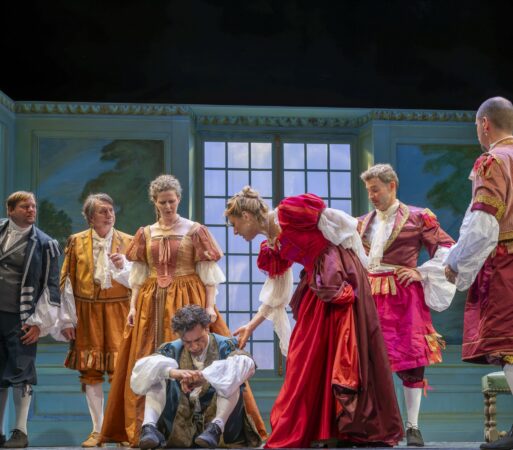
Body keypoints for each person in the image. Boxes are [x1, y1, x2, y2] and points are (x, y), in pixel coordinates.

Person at [225, 187, 404, 448]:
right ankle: (325, 429)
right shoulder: (272, 246)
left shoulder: (288, 213)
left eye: (234, 224)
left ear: (247, 216)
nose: (235, 232)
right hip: (317, 285)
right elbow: (276, 294)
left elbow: (341, 223)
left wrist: (356, 259)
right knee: (308, 356)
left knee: (341, 352)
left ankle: (345, 428)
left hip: (338, 277)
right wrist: (251, 326)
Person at [101, 175, 266, 446]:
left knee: (199, 352)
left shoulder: (194, 231)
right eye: (162, 202)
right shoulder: (146, 233)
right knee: (149, 359)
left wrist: (209, 306)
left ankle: (204, 425)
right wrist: (132, 307)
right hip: (150, 304)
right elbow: (138, 277)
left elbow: (209, 274)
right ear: (155, 202)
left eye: (172, 201)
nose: (168, 207)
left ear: (178, 199)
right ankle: (148, 428)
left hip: (188, 296)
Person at [358, 163, 455, 446]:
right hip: (369, 298)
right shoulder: (362, 222)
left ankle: (413, 426)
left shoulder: (418, 217)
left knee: (411, 359)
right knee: (368, 361)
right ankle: (375, 427)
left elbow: (447, 248)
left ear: (392, 186)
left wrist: (421, 272)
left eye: (376, 190)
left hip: (403, 297)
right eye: (369, 191)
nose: (372, 196)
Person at [444, 97, 513, 450]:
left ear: (485, 124)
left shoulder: (493, 161)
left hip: (507, 265)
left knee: (509, 344)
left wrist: (457, 263)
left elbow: (484, 226)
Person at [131, 305, 262, 449]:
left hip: (223, 429)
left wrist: (205, 376)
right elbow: (140, 372)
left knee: (230, 379)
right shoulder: (171, 349)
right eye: (187, 342)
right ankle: (149, 428)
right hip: (179, 429)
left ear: (207, 328)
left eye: (198, 340)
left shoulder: (225, 345)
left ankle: (215, 428)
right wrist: (172, 372)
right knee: (155, 372)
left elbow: (247, 364)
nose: (194, 346)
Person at [59, 193, 133, 447]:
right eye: (103, 211)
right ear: (91, 218)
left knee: (119, 371)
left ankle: (121, 431)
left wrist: (123, 266)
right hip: (87, 312)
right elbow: (67, 282)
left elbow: (139, 281)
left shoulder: (129, 241)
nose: (109, 214)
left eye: (111, 210)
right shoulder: (76, 241)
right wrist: (67, 320)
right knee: (90, 371)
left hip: (119, 311)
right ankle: (98, 430)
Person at [0, 191, 61, 448]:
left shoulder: (45, 244)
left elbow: (52, 287)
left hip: (22, 318)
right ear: (10, 210)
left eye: (33, 206)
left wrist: (38, 323)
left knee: (21, 373)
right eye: (25, 206)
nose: (31, 210)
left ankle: (20, 431)